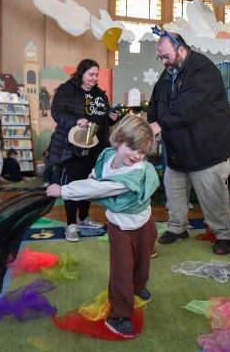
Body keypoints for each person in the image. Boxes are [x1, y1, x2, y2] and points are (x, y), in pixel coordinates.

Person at [46, 115, 159, 338]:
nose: (137, 156)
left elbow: (96, 189)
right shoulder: (108, 156)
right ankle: (120, 314)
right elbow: (99, 174)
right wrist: (94, 174)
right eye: (132, 148)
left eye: (143, 152)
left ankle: (138, 286)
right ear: (118, 141)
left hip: (145, 223)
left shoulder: (133, 173)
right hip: (120, 226)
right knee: (121, 270)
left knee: (142, 261)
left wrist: (64, 190)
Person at [147, 29, 230, 255]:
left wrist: (159, 126)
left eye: (165, 56)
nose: (163, 62)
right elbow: (156, 102)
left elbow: (188, 108)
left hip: (206, 148)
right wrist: (151, 124)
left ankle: (222, 234)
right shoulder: (168, 73)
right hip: (178, 148)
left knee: (212, 194)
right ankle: (178, 226)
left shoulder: (203, 70)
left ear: (181, 50)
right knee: (174, 191)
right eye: (160, 58)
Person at [49, 59, 119, 242]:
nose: (95, 78)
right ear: (81, 73)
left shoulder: (100, 95)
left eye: (97, 74)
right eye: (91, 74)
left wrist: (112, 118)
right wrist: (76, 120)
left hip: (96, 148)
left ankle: (83, 218)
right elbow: (57, 113)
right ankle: (71, 223)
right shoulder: (66, 90)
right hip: (72, 146)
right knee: (73, 185)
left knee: (89, 184)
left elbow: (104, 120)